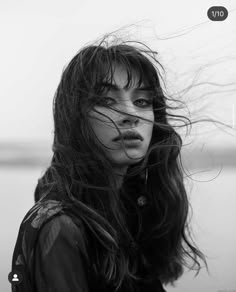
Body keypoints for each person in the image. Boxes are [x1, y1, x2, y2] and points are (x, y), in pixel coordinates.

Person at [9, 33, 208, 292]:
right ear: (75, 120)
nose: (130, 115)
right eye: (105, 100)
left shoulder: (133, 208)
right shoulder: (60, 228)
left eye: (142, 101)